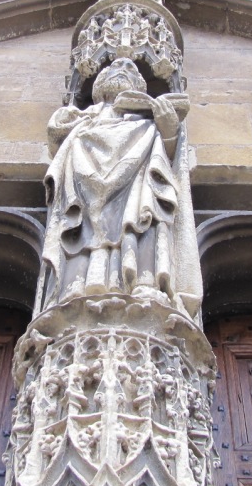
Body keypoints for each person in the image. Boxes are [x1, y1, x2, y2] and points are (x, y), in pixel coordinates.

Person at [38, 58, 187, 309]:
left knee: (142, 216)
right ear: (98, 84)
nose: (122, 69)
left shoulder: (147, 123)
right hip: (85, 185)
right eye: (114, 67)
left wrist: (168, 130)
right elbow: (56, 133)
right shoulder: (80, 118)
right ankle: (76, 286)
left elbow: (171, 163)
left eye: (130, 69)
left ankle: (143, 282)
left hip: (136, 183)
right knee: (83, 228)